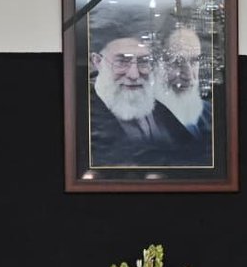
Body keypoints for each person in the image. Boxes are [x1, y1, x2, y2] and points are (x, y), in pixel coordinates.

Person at [87, 10, 199, 168]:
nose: (134, 74)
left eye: (143, 61)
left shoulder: (159, 110)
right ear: (97, 61)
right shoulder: (84, 115)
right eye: (122, 62)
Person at [155, 25, 212, 140]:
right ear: (158, 65)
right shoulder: (145, 122)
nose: (189, 75)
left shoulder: (209, 113)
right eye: (177, 62)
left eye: (194, 61)